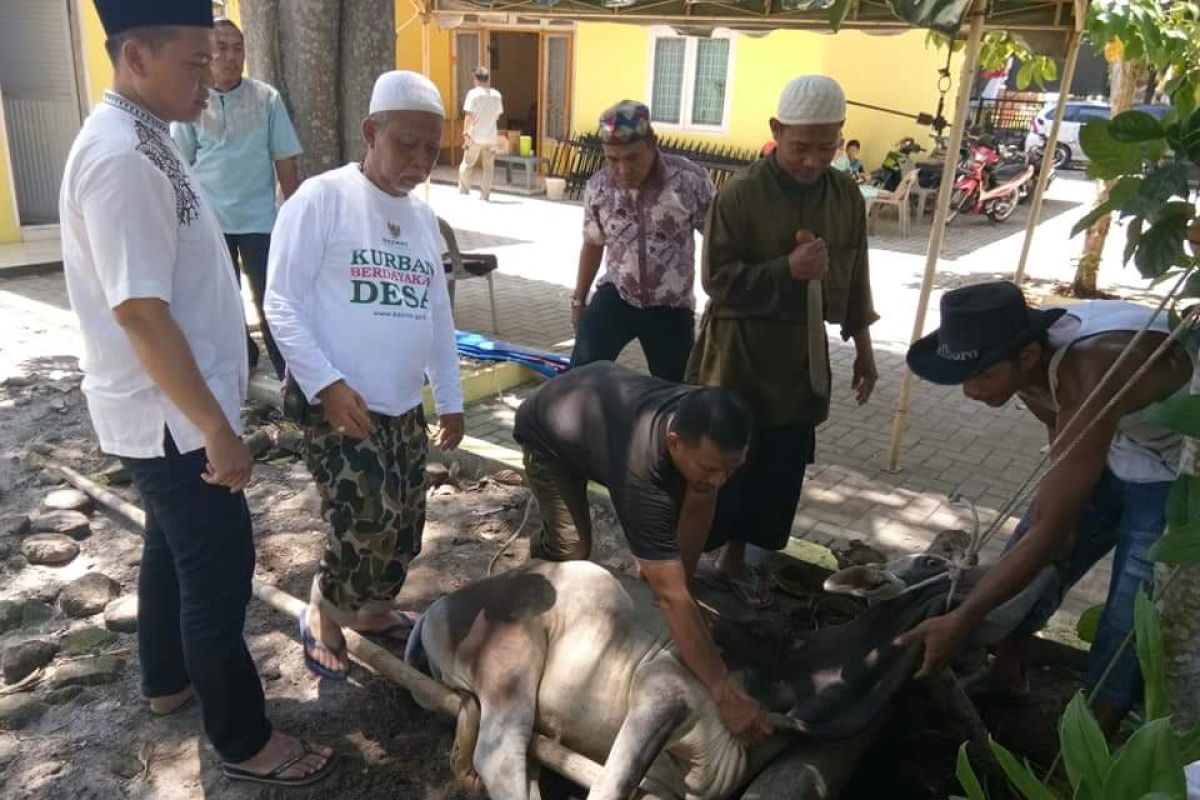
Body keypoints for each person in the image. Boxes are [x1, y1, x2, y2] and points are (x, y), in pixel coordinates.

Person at [60, 0, 333, 787]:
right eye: (192, 62)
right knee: (217, 566)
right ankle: (243, 740)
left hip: (170, 409)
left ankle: (165, 682)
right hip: (171, 418)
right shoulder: (118, 156)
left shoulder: (148, 133)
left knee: (170, 547)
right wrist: (218, 427)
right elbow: (141, 314)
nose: (209, 82)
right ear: (136, 56)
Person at [898, 282, 1193, 735]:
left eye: (982, 375)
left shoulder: (1091, 369)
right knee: (1032, 553)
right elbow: (1058, 424)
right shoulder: (1025, 358)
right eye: (965, 377)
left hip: (1179, 464)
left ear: (1029, 357)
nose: (971, 392)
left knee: (1131, 610)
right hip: (1113, 440)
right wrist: (1056, 524)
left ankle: (1091, 740)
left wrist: (963, 619)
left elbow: (1052, 528)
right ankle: (1007, 675)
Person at [264, 70, 465, 681]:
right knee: (365, 518)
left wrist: (450, 398)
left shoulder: (425, 223)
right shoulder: (322, 200)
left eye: (432, 148)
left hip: (403, 406)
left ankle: (373, 611)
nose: (421, 160)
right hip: (338, 401)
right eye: (407, 144)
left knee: (406, 521)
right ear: (371, 131)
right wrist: (325, 384)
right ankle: (324, 611)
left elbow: (436, 314)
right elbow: (281, 302)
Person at [687, 75, 879, 607]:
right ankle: (693, 557)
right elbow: (717, 280)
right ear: (776, 131)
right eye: (802, 147)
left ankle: (735, 560)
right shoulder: (740, 193)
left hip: (800, 357)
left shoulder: (845, 196)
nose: (815, 160)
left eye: (828, 146)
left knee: (778, 466)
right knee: (720, 458)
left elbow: (856, 273)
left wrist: (863, 348)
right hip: (738, 353)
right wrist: (785, 270)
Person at [512, 360, 773, 744]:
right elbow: (668, 595)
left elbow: (700, 503)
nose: (720, 479)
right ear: (674, 443)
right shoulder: (642, 473)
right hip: (547, 433)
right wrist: (722, 691)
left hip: (597, 417)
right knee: (572, 548)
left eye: (730, 469)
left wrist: (682, 587)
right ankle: (534, 567)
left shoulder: (703, 422)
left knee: (675, 566)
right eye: (711, 468)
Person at [171, 17, 302, 380]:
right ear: (207, 55)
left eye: (238, 48)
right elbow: (180, 167)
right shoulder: (192, 102)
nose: (231, 56)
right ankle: (241, 359)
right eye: (222, 48)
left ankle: (288, 371)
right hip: (211, 223)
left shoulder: (266, 99)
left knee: (271, 300)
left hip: (260, 220)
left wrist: (294, 220)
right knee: (223, 301)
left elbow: (285, 162)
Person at [570, 101, 715, 382]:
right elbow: (592, 243)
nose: (623, 169)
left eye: (632, 157)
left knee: (678, 393)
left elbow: (719, 239)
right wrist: (579, 301)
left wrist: (719, 296)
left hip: (670, 304)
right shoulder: (598, 187)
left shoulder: (689, 180)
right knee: (579, 377)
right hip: (618, 294)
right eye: (613, 159)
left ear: (652, 143)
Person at [458, 66, 503, 202]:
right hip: (490, 137)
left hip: (475, 136)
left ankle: (464, 192)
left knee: (467, 164)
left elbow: (469, 116)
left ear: (475, 80)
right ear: (488, 79)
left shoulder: (473, 94)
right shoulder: (496, 95)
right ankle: (485, 195)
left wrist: (465, 133)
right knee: (488, 167)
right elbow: (498, 115)